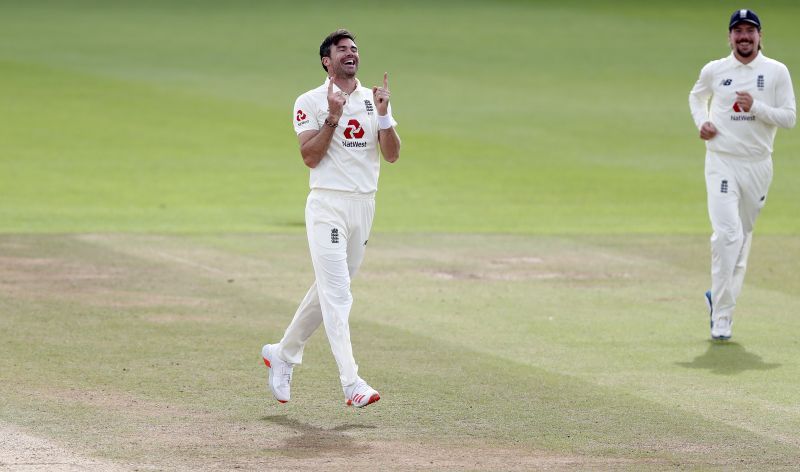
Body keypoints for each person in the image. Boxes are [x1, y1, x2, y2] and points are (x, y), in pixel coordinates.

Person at [261, 29, 401, 407]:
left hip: (364, 206)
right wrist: (332, 119)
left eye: (354, 49)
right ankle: (351, 383)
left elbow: (391, 155)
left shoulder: (374, 100)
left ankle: (283, 353)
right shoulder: (309, 101)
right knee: (338, 296)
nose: (351, 54)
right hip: (328, 206)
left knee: (326, 291)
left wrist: (385, 116)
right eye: (342, 50)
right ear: (327, 60)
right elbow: (309, 157)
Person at [689, 9, 795, 340]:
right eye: (738, 31)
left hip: (758, 164)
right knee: (727, 237)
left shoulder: (776, 72)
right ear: (730, 37)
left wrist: (756, 108)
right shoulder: (715, 70)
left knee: (741, 240)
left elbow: (790, 118)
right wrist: (702, 122)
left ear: (761, 36)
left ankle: (718, 298)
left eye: (750, 31)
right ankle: (722, 317)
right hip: (722, 161)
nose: (744, 37)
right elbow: (696, 96)